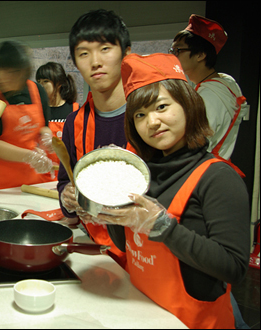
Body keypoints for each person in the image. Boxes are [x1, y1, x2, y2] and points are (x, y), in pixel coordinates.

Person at [90, 53, 249, 329]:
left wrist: (165, 227)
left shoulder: (218, 177)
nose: (151, 122)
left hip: (193, 321)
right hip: (143, 313)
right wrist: (108, 207)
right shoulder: (141, 172)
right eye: (140, 115)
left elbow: (233, 267)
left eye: (161, 107)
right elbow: (126, 244)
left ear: (188, 105)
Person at [57, 9, 132, 261]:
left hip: (145, 250)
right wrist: (66, 196)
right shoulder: (75, 122)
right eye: (84, 54)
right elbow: (63, 182)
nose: (95, 62)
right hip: (94, 251)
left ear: (126, 53)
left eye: (105, 49)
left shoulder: (148, 118)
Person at [170, 14, 248, 176]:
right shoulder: (226, 82)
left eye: (179, 50)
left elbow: (194, 144)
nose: (173, 56)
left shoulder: (209, 97)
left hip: (202, 172)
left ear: (200, 55)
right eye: (172, 50)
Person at [0, 40, 54, 190]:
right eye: (0, 72)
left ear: (23, 72)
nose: (4, 78)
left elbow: (44, 127)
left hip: (33, 181)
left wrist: (47, 139)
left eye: (12, 73)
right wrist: (29, 156)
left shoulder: (37, 91)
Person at [36, 61, 79, 177]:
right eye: (39, 82)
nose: (41, 86)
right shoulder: (37, 111)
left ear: (59, 84)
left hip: (67, 176)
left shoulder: (75, 110)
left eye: (45, 81)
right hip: (40, 176)